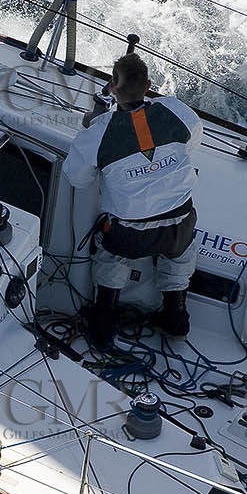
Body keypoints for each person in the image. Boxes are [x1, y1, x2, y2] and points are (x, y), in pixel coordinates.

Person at [62, 50, 203, 348]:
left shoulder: (99, 132)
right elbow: (192, 142)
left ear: (112, 87)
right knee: (181, 251)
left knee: (111, 252)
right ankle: (176, 316)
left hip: (130, 235)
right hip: (179, 225)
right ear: (149, 85)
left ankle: (103, 320)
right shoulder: (176, 111)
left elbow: (78, 178)